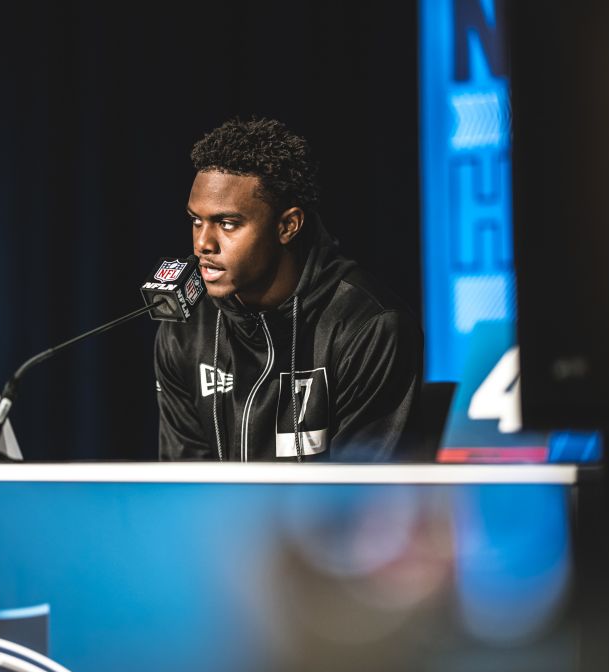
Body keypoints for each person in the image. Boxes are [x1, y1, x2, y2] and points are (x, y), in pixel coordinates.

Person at [154, 117, 426, 462]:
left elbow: (364, 499)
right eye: (196, 220)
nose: (203, 243)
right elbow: (182, 485)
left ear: (287, 226)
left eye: (226, 224)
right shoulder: (186, 326)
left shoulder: (370, 326)